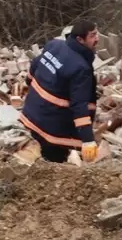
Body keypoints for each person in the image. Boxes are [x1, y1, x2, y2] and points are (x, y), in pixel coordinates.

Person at [19, 19, 101, 164]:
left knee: (38, 155)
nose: (98, 38)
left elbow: (35, 64)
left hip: (32, 113)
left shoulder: (55, 45)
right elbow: (79, 105)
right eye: (93, 35)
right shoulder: (81, 68)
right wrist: (88, 140)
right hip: (52, 126)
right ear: (80, 40)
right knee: (54, 163)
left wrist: (29, 84)